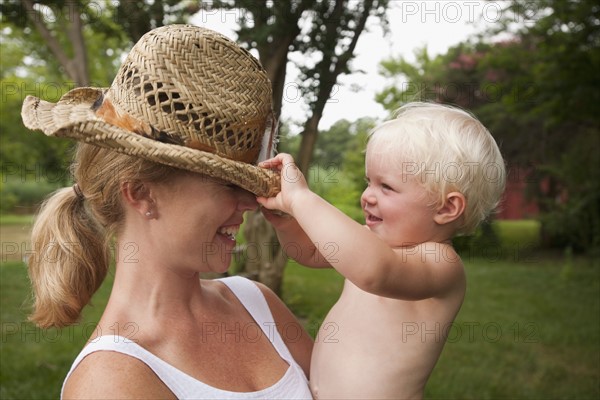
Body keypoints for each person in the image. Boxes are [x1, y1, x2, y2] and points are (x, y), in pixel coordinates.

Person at [21, 25, 313, 399]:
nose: (250, 204)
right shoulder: (110, 382)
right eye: (230, 185)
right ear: (141, 194)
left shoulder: (255, 301)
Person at [257, 102, 506, 399]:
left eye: (386, 187)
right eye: (368, 182)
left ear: (446, 207)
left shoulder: (441, 263)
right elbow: (311, 252)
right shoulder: (372, 244)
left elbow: (375, 271)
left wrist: (302, 200)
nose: (366, 196)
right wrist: (288, 223)